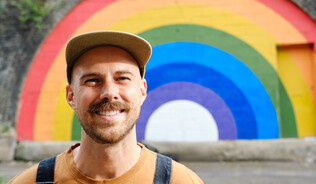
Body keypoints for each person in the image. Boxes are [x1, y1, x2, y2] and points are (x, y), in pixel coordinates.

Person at [9, 30, 204, 184]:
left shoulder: (182, 181)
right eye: (92, 80)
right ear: (71, 96)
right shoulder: (29, 182)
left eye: (122, 79)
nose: (109, 92)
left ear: (142, 91)